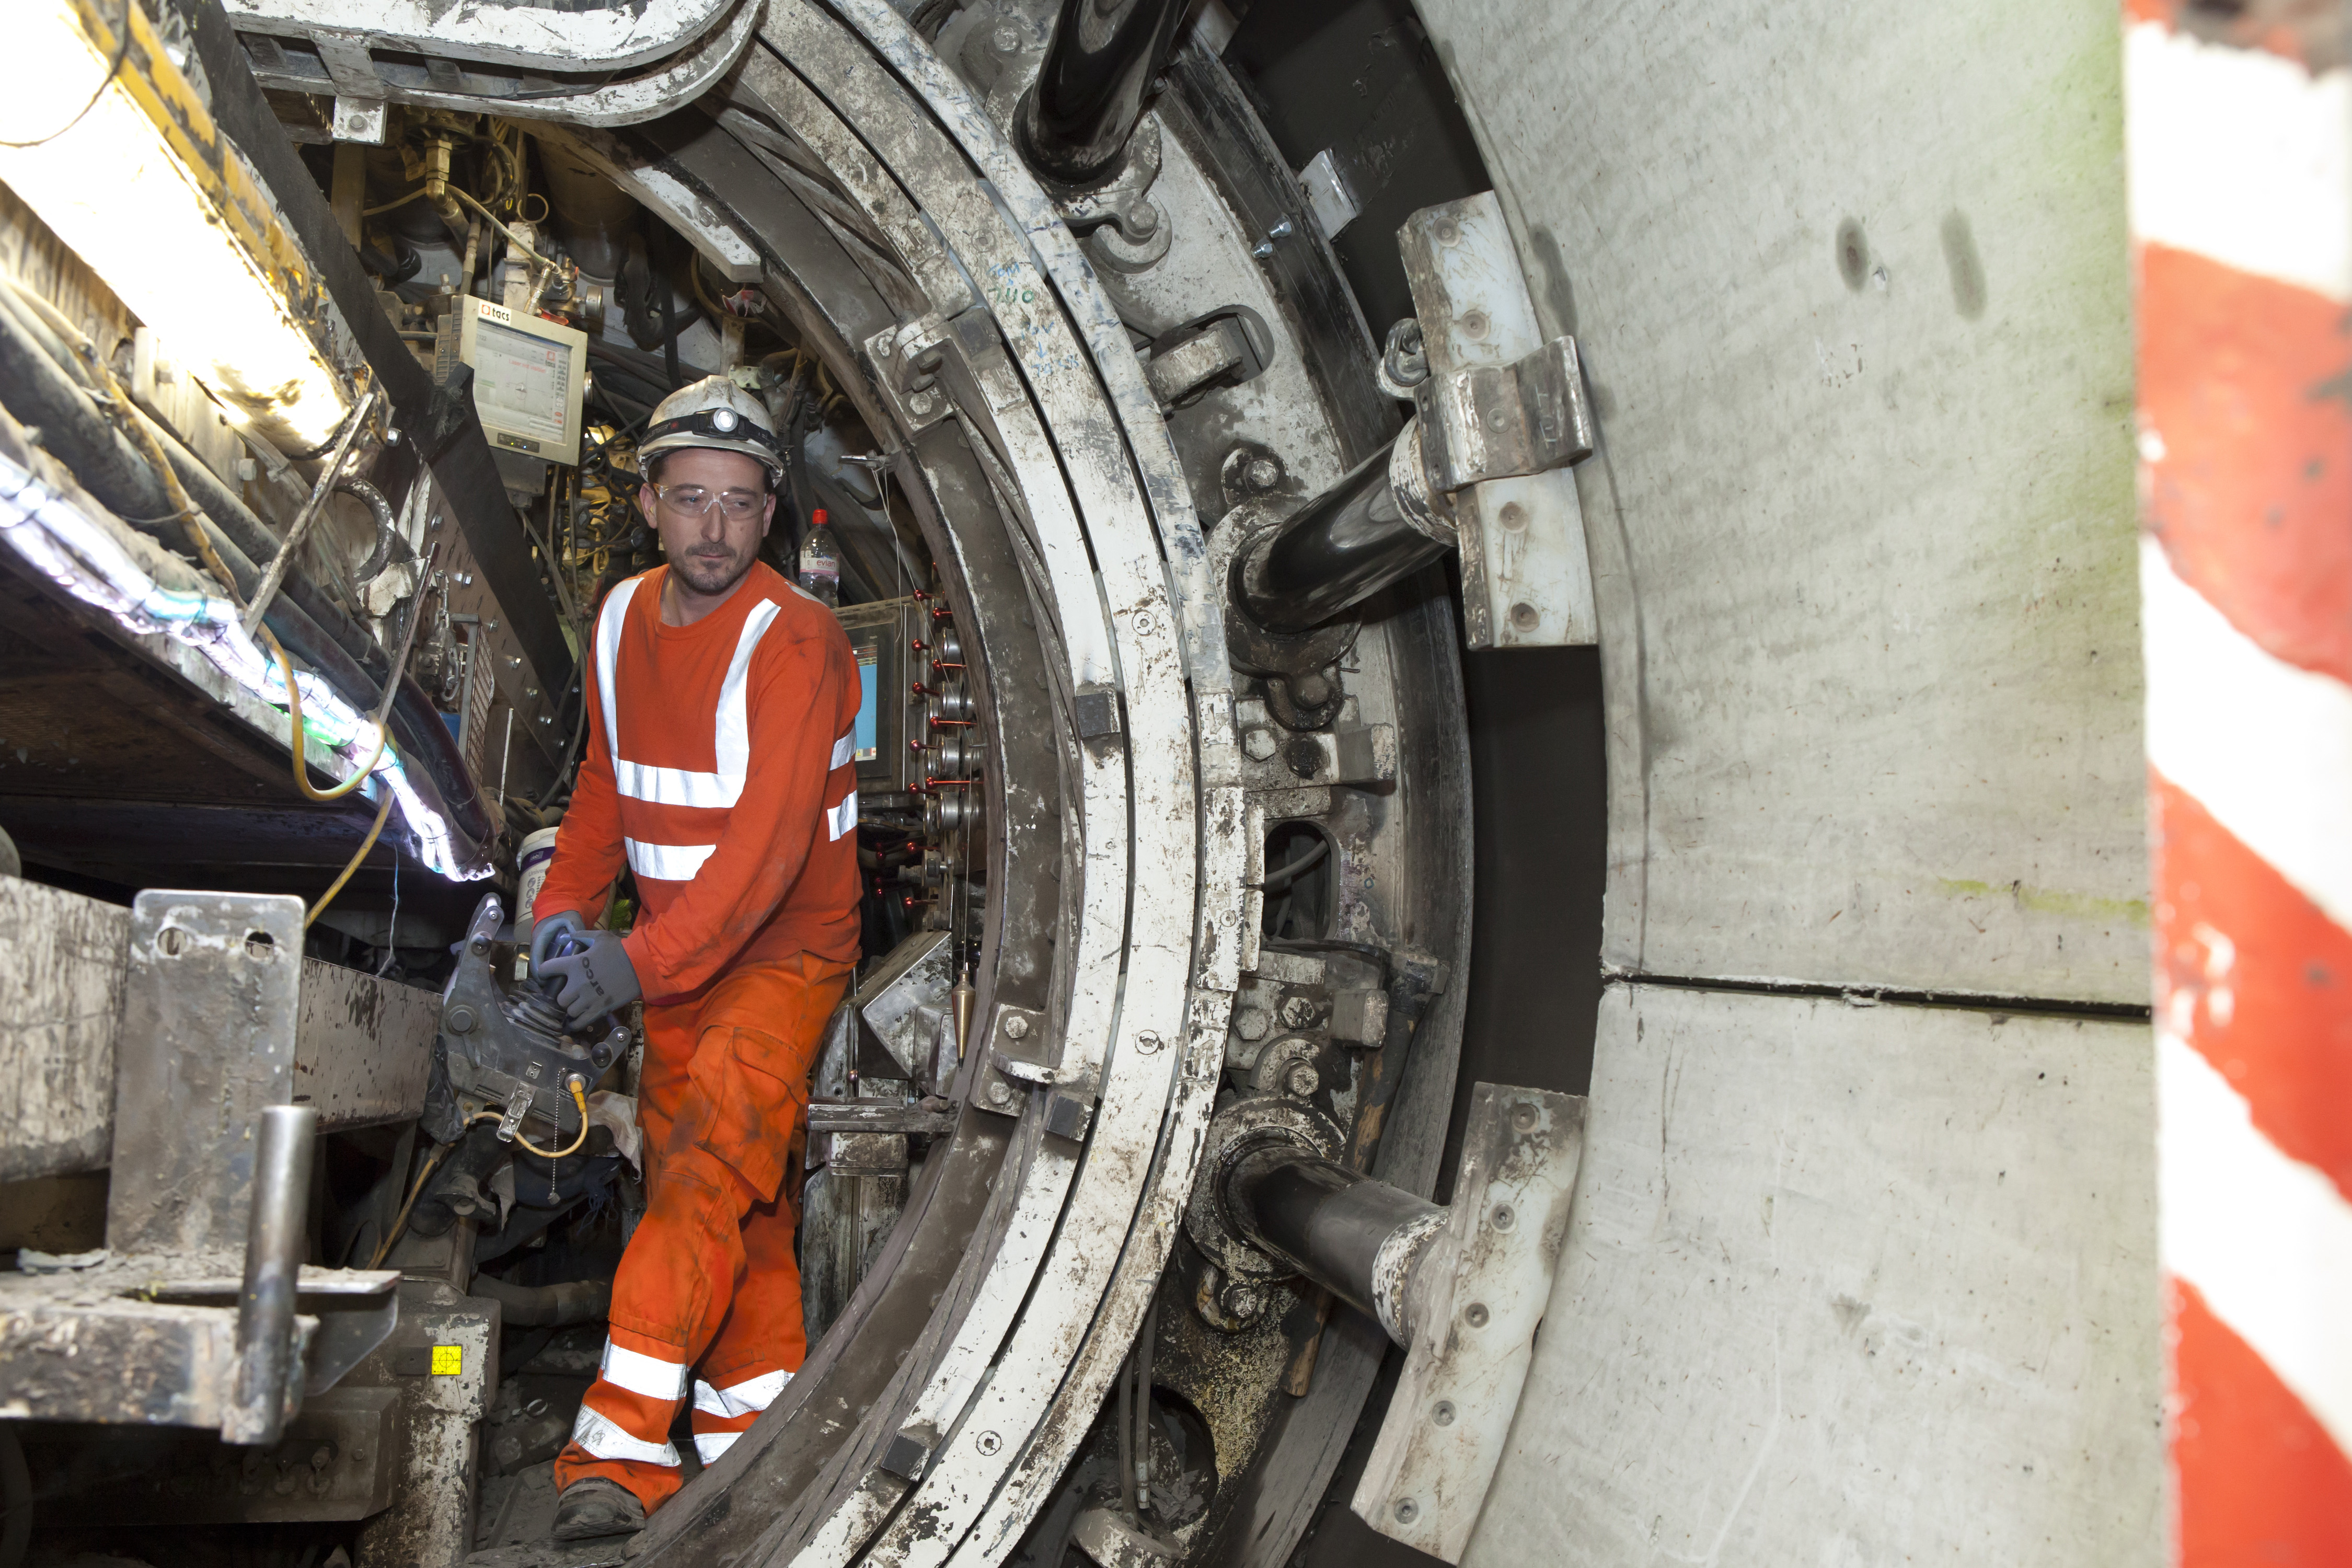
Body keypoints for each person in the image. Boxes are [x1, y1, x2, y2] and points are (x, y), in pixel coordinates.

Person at [531, 375, 862, 1541]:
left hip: (781, 954)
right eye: (690, 500)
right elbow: (603, 789)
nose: (713, 527)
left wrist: (629, 966)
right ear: (650, 505)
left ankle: (617, 1450)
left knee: (709, 1160)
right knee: (726, 1189)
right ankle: (752, 1428)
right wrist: (561, 920)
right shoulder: (619, 618)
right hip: (679, 954)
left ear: (768, 514)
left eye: (737, 503)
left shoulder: (801, 642)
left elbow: (765, 859)